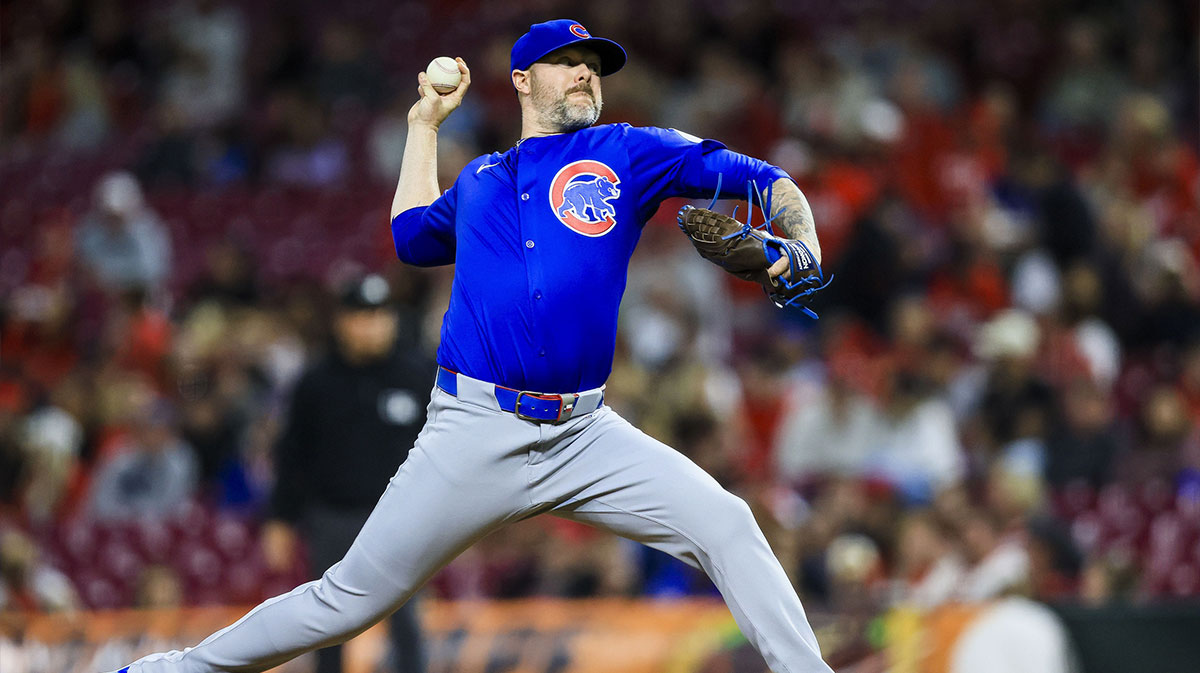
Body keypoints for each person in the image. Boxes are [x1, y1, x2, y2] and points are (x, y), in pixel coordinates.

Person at [111, 19, 832, 673]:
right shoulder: (482, 179)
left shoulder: (629, 152)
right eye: (565, 62)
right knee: (346, 603)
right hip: (474, 428)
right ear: (522, 80)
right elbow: (410, 234)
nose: (585, 73)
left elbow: (763, 179)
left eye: (592, 65)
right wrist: (423, 124)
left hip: (584, 432)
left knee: (727, 522)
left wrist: (800, 240)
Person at [261, 274, 429, 673]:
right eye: (361, 316)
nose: (371, 325)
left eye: (379, 315)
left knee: (407, 624)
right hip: (334, 517)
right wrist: (281, 518)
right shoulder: (316, 381)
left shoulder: (418, 374)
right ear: (342, 321)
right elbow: (292, 453)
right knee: (328, 623)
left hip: (400, 520)